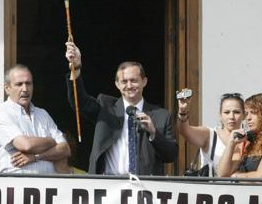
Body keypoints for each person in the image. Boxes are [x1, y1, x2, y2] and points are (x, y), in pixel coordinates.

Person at [64, 41, 177, 175]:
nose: (129, 86)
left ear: (144, 82)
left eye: (134, 80)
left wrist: (153, 132)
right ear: (117, 84)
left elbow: (171, 155)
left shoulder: (161, 116)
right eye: (124, 81)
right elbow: (79, 102)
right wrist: (76, 68)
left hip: (145, 188)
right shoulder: (105, 107)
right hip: (109, 188)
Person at [0, 64, 71, 174]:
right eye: (19, 84)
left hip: (47, 186)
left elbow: (65, 149)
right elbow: (25, 145)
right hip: (15, 185)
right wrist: (51, 141)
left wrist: (36, 157)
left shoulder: (43, 114)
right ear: (7, 88)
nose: (25, 89)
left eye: (28, 83)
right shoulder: (1, 112)